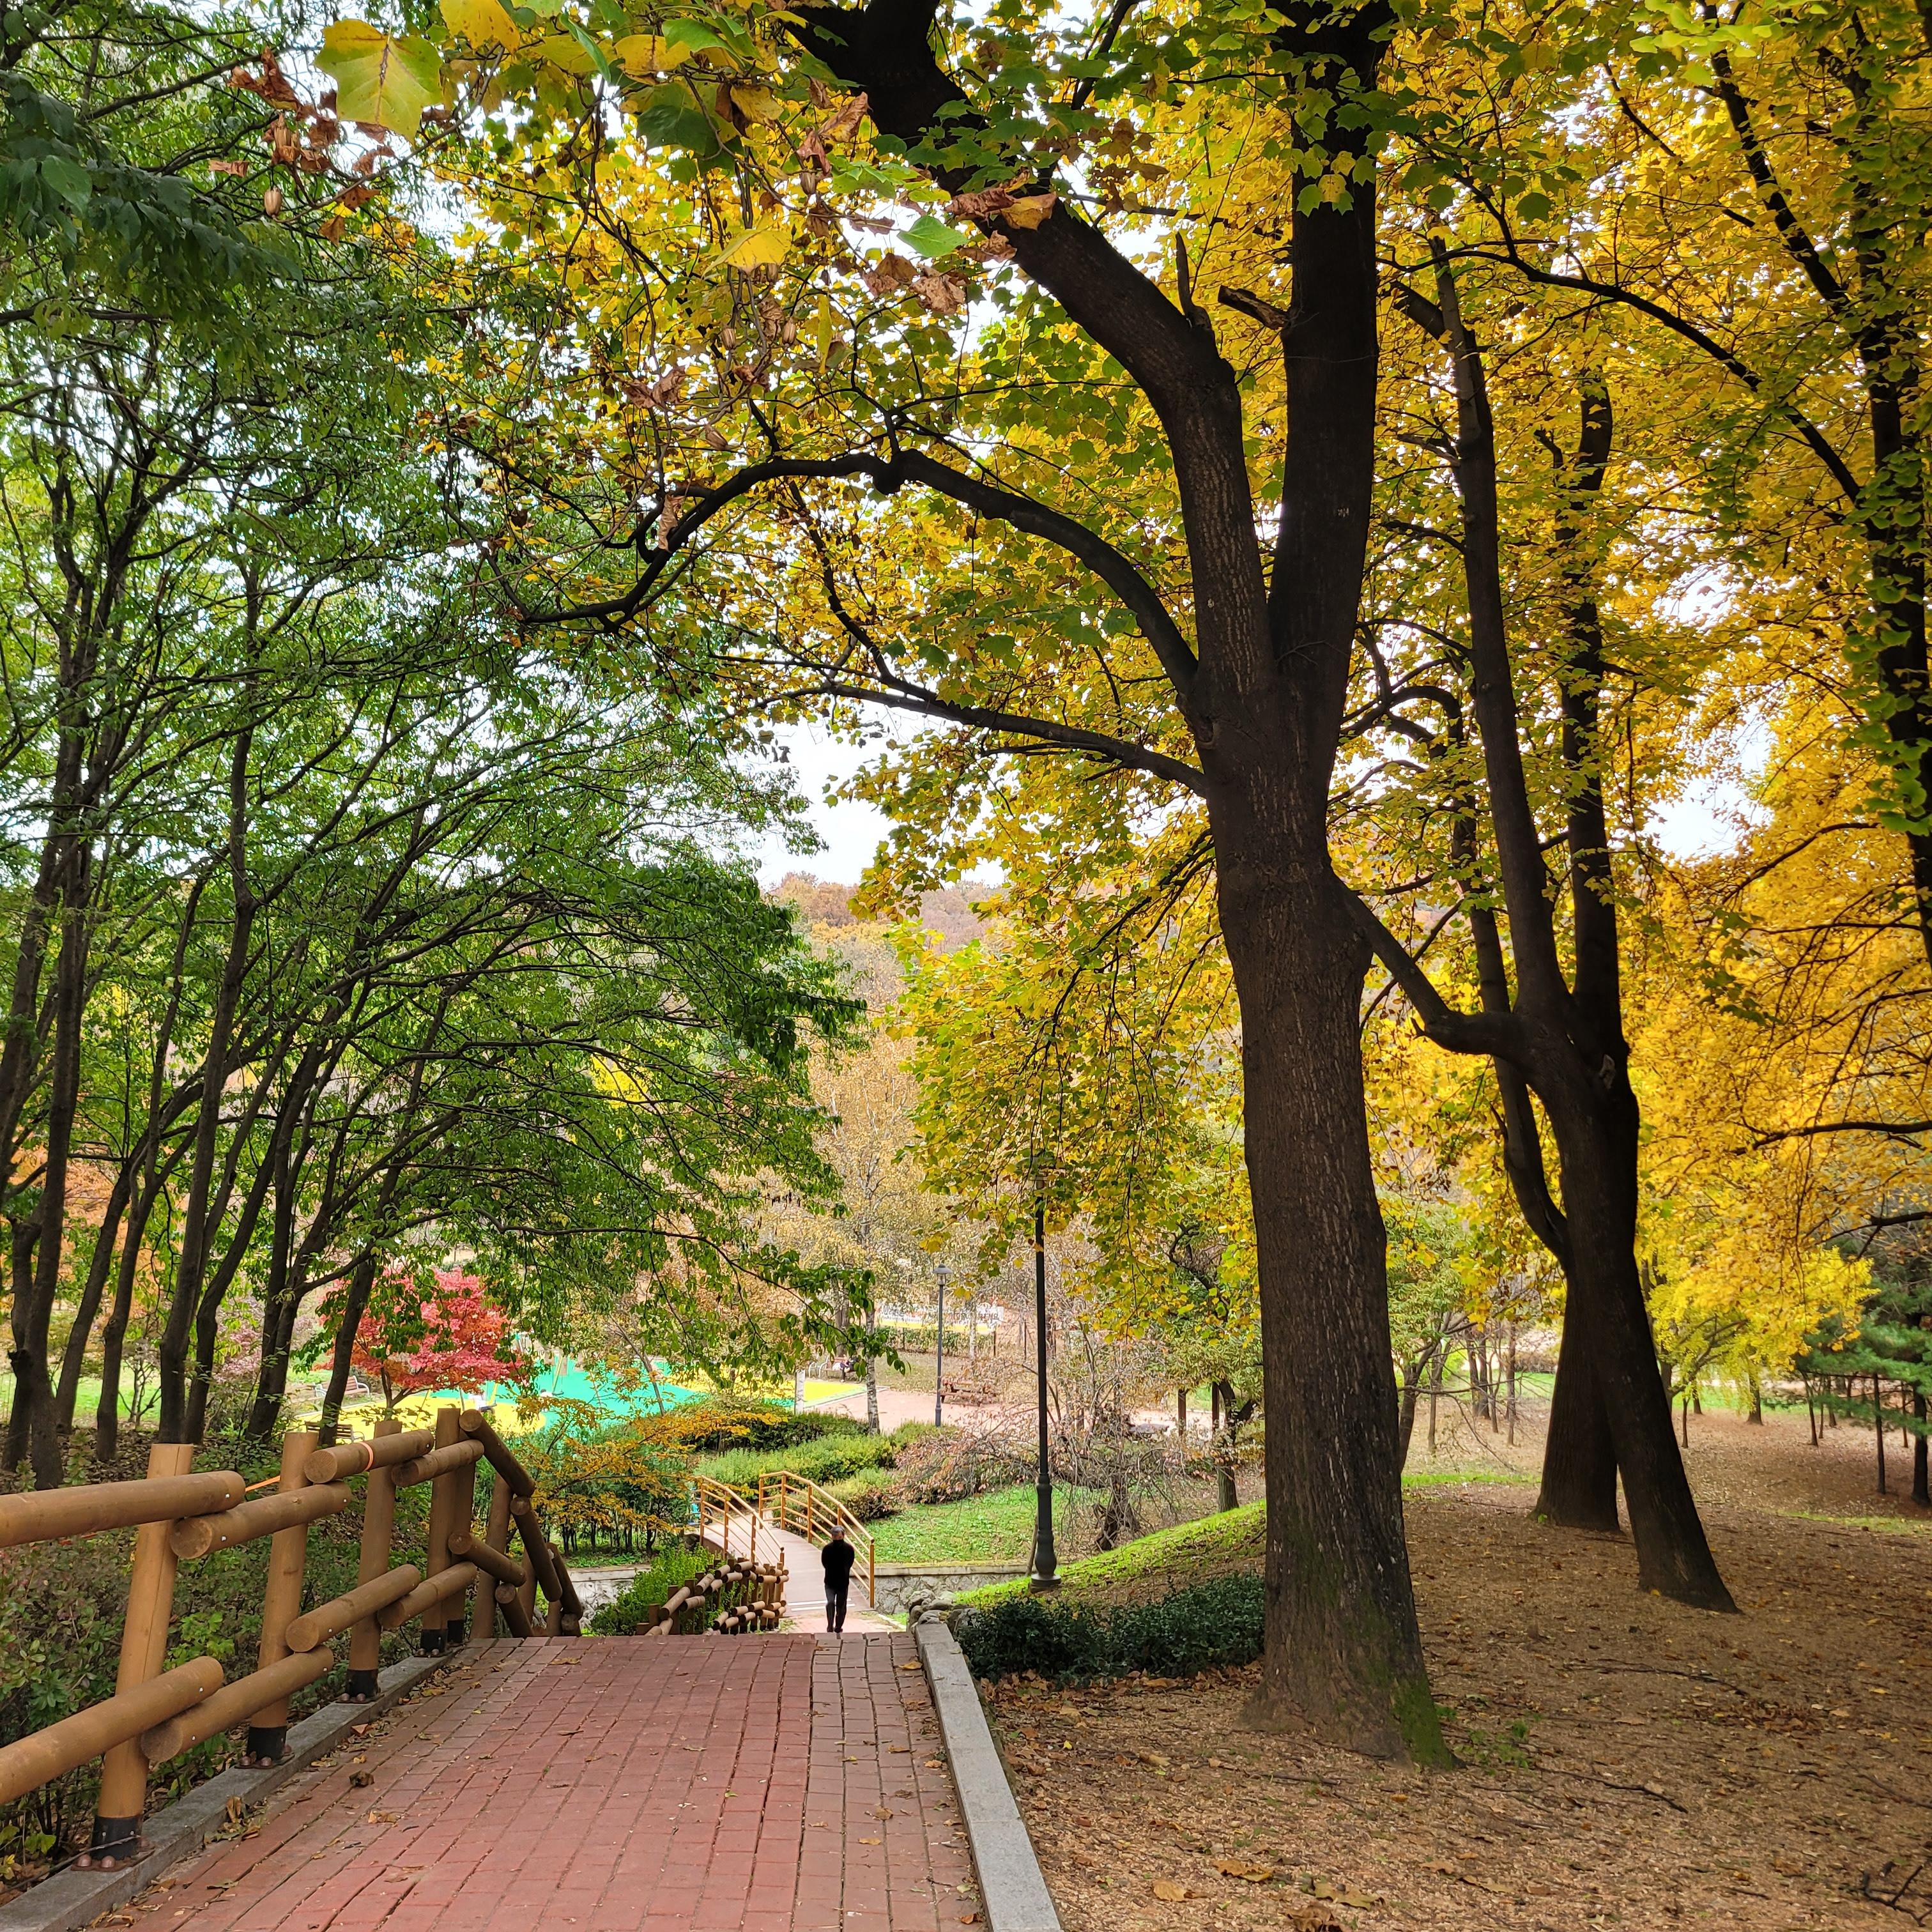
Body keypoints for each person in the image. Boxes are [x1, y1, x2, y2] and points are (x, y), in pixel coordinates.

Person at [822, 1528, 855, 1634]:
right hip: (830, 1582)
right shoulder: (827, 1549)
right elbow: (825, 1563)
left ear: (843, 1536)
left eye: (839, 1537)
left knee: (841, 1607)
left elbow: (850, 1562)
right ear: (832, 1537)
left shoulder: (849, 1549)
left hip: (843, 1583)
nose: (837, 1539)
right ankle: (830, 1625)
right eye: (835, 1537)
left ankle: (838, 1627)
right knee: (831, 1602)